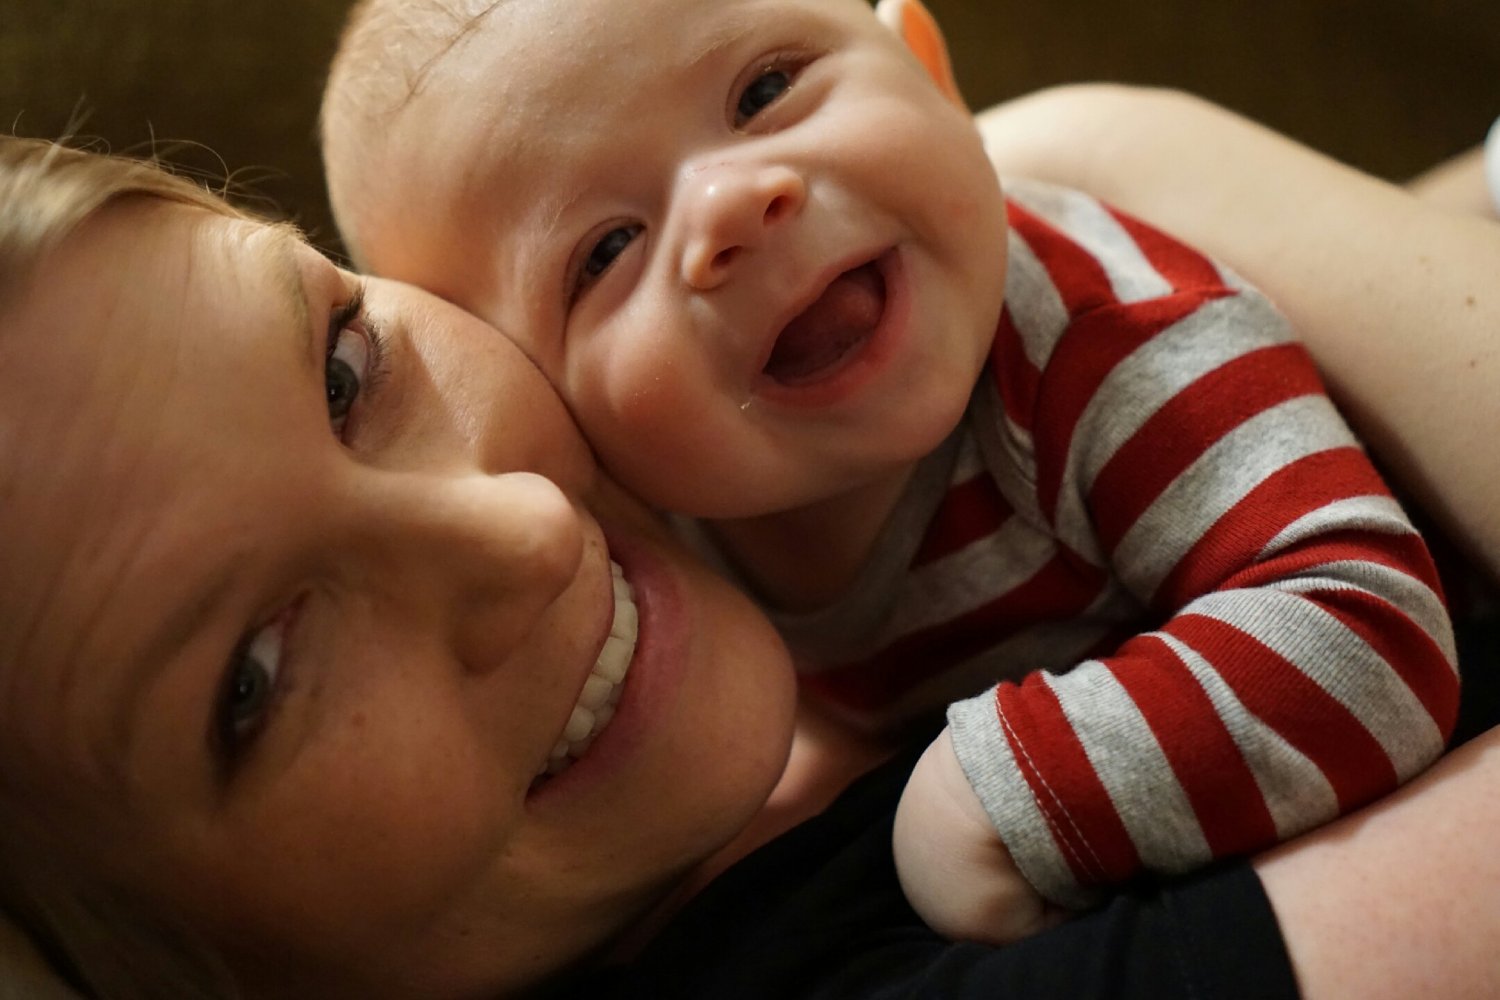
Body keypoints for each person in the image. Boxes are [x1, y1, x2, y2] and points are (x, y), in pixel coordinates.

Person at [2, 127, 1500, 1000]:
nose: (520, 532)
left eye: (342, 369)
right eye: (254, 678)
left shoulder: (798, 478)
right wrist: (1123, 143)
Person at [318, 0, 1460, 942]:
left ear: (926, 64)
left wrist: (999, 793)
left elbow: (1371, 638)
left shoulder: (1108, 349)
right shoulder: (675, 515)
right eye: (604, 250)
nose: (732, 203)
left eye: (765, 89)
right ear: (546, 398)